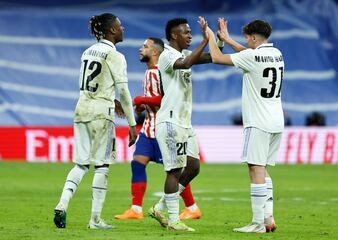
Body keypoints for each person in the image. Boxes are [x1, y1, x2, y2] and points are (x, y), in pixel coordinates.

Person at [53, 13, 137, 229]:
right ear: (111, 31)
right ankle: (95, 219)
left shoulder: (87, 52)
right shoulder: (115, 55)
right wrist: (132, 123)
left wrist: (112, 99)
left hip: (82, 109)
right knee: (102, 166)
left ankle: (62, 204)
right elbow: (125, 91)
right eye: (120, 26)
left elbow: (94, 83)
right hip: (101, 114)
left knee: (81, 164)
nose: (123, 29)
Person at [206, 18, 284, 233]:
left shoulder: (251, 55)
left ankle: (258, 223)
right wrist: (228, 39)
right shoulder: (276, 53)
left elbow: (217, 57)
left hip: (258, 121)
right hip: (276, 120)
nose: (245, 41)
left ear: (252, 37)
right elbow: (247, 54)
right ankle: (268, 218)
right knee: (263, 168)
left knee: (254, 167)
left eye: (247, 38)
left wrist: (212, 37)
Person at [113, 37, 201, 220]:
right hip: (148, 128)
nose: (140, 48)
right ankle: (136, 209)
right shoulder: (148, 73)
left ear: (155, 52)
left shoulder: (159, 73)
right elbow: (153, 101)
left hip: (163, 128)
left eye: (145, 46)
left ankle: (192, 207)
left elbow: (164, 100)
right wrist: (142, 106)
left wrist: (140, 100)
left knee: (174, 170)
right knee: (137, 163)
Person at [148, 17, 217, 232]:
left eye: (190, 32)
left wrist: (217, 39)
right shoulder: (166, 56)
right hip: (170, 121)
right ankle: (173, 220)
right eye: (186, 32)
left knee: (193, 166)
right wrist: (204, 42)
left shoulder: (184, 53)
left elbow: (211, 58)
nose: (189, 35)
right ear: (174, 35)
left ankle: (159, 207)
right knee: (175, 170)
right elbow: (185, 64)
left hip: (184, 122)